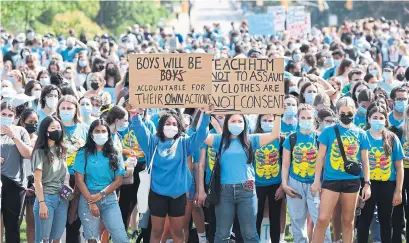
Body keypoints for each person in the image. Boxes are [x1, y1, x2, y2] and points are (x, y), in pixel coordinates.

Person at [131, 105, 213, 243]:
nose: (171, 126)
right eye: (168, 123)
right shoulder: (152, 142)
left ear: (179, 126)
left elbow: (201, 135)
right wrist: (134, 114)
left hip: (178, 195)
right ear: (161, 126)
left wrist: (206, 115)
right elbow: (139, 130)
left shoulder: (184, 143)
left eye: (174, 124)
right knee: (156, 231)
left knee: (177, 232)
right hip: (157, 193)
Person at [202, 113, 281, 243]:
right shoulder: (219, 140)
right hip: (224, 193)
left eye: (240, 121)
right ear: (227, 124)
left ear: (245, 124)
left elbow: (273, 135)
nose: (237, 124)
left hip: (247, 192)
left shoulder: (252, 140)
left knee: (250, 234)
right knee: (222, 234)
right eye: (233, 121)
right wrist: (205, 114)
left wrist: (278, 115)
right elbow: (202, 136)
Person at [312, 97, 371, 243]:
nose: (346, 116)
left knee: (348, 221)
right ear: (337, 113)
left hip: (352, 181)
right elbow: (320, 157)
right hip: (331, 180)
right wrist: (316, 181)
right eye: (342, 113)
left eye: (349, 113)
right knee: (322, 219)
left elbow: (365, 160)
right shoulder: (328, 132)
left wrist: (367, 183)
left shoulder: (361, 133)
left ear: (355, 112)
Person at [282, 104, 332, 243]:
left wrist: (323, 184)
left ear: (314, 119)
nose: (305, 120)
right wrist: (284, 184)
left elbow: (326, 164)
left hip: (316, 184)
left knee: (321, 220)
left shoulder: (320, 138)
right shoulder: (291, 139)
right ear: (297, 118)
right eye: (302, 117)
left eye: (309, 117)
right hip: (295, 184)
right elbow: (285, 164)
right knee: (297, 221)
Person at [74, 119, 129, 242]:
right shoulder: (83, 152)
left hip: (109, 198)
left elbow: (118, 180)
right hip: (88, 197)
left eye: (103, 131)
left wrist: (101, 194)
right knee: (92, 238)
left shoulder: (115, 153)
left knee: (121, 237)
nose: (100, 133)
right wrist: (91, 201)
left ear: (108, 134)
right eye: (97, 131)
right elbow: (79, 179)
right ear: (91, 134)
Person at [357, 105, 404, 243]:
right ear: (369, 119)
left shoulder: (392, 138)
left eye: (381, 118)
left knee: (386, 221)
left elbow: (399, 166)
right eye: (375, 118)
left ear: (386, 120)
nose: (378, 120)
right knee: (364, 221)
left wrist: (398, 190)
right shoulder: (362, 136)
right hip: (366, 184)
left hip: (387, 184)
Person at [118, 100, 156, 232]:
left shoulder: (149, 124)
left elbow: (152, 146)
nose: (139, 109)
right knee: (125, 203)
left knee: (141, 202)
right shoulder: (123, 124)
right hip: (126, 166)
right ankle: (121, 232)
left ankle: (140, 231)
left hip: (143, 166)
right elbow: (117, 145)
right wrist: (126, 154)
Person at [32, 115, 70, 243]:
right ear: (46, 131)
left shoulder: (61, 150)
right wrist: (42, 203)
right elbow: (37, 180)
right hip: (46, 198)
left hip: (61, 198)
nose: (57, 130)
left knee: (56, 239)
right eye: (53, 127)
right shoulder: (40, 152)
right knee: (44, 240)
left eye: (59, 127)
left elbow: (65, 174)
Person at [57, 94, 89, 243]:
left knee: (74, 220)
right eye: (63, 108)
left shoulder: (85, 128)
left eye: (69, 108)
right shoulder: (54, 126)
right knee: (57, 221)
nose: (66, 110)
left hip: (78, 180)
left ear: (76, 109)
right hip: (57, 180)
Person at [0, 101, 33, 243]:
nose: (7, 117)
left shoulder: (21, 131)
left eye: (10, 115)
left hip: (15, 183)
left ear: (15, 117)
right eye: (3, 114)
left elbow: (28, 154)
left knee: (13, 226)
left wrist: (14, 136)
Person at [253, 114, 284, 243]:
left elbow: (285, 163)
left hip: (276, 184)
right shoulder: (253, 139)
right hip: (257, 184)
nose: (267, 123)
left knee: (275, 217)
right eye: (264, 120)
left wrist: (282, 186)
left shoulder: (281, 139)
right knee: (256, 217)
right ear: (259, 122)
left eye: (271, 120)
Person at [18, 109, 39, 243]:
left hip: (33, 183)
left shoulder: (39, 140)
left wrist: (34, 185)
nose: (33, 124)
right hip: (18, 183)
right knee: (15, 221)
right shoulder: (16, 138)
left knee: (31, 222)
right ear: (23, 123)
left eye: (35, 122)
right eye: (30, 122)